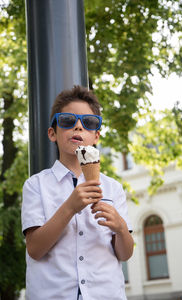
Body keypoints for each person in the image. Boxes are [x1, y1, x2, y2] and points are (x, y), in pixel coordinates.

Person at [21, 85, 134, 300]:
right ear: (52, 133)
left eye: (88, 123)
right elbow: (35, 249)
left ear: (96, 136)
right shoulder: (35, 185)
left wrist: (121, 228)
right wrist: (70, 207)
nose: (79, 127)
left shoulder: (113, 188)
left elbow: (125, 253)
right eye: (67, 121)